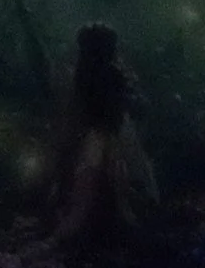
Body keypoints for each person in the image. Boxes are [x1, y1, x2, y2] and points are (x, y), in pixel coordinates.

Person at [49, 21, 158, 246]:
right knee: (99, 184)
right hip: (102, 136)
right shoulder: (105, 75)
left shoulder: (89, 74)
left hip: (102, 135)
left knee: (101, 183)